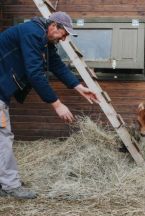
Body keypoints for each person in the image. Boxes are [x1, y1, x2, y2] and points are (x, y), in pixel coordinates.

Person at [0, 11, 99, 199]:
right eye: (64, 34)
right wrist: (57, 104)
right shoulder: (32, 33)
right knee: (3, 137)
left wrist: (78, 87)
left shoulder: (43, 39)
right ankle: (10, 186)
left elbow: (56, 65)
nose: (64, 39)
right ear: (54, 26)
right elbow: (35, 73)